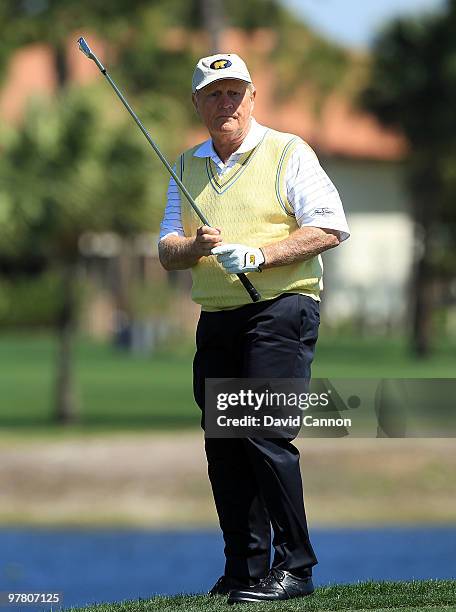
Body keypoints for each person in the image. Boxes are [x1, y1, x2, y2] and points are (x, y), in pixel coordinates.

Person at [158, 53, 350, 604]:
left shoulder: (288, 151)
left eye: (235, 92)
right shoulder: (185, 164)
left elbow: (330, 225)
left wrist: (262, 256)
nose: (226, 103)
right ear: (197, 104)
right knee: (224, 444)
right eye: (214, 94)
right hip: (218, 318)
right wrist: (193, 246)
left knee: (264, 434)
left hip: (280, 310)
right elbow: (167, 248)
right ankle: (245, 571)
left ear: (252, 97)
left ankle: (297, 568)